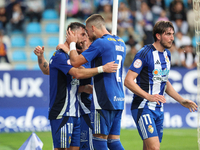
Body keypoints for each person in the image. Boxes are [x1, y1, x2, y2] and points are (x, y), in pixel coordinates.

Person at [34, 22, 118, 150]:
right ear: (71, 34)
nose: (85, 38)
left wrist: (84, 88)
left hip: (75, 113)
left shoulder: (73, 56)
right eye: (82, 35)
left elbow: (50, 70)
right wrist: (103, 68)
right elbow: (76, 73)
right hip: (62, 112)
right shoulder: (60, 56)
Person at [124, 21, 197, 150]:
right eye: (168, 34)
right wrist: (148, 96)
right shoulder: (144, 53)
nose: (172, 38)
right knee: (154, 148)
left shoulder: (167, 54)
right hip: (143, 107)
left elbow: (164, 81)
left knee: (148, 148)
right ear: (158, 36)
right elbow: (128, 81)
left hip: (159, 109)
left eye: (172, 34)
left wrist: (181, 100)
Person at [61, 14, 126, 150]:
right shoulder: (120, 42)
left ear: (92, 28)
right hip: (119, 98)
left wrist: (71, 45)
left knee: (99, 141)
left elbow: (75, 62)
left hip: (103, 99)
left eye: (88, 33)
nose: (88, 36)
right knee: (114, 142)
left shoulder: (100, 43)